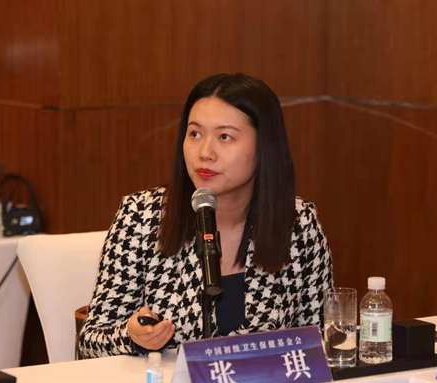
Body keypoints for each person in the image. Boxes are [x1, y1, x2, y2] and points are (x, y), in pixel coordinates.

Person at [79, 73, 333, 358]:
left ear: (264, 145)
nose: (205, 153)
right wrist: (133, 337)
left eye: (225, 137)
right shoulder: (141, 217)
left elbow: (321, 340)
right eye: (195, 134)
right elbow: (90, 341)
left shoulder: (298, 224)